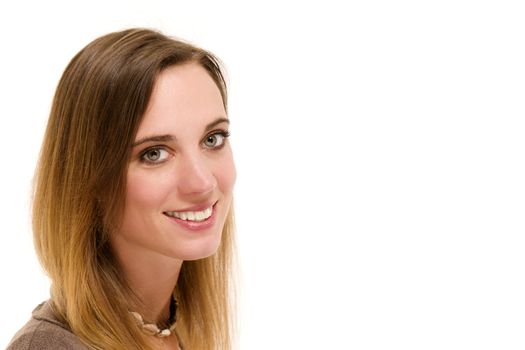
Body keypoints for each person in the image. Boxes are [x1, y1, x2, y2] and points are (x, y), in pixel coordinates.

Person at [7, 28, 237, 350]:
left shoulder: (178, 326)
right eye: (154, 153)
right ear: (88, 179)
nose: (202, 182)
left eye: (212, 139)